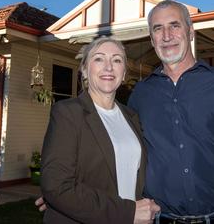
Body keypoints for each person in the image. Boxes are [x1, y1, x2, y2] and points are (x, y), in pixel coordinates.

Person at [128, 0, 214, 224]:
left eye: (174, 25)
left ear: (190, 31)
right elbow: (125, 158)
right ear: (151, 38)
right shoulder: (140, 94)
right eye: (158, 28)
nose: (166, 35)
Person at [40, 37, 160, 223]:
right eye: (99, 59)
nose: (109, 67)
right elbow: (57, 186)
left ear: (124, 72)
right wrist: (127, 212)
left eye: (117, 60)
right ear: (85, 70)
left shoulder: (131, 117)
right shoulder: (67, 113)